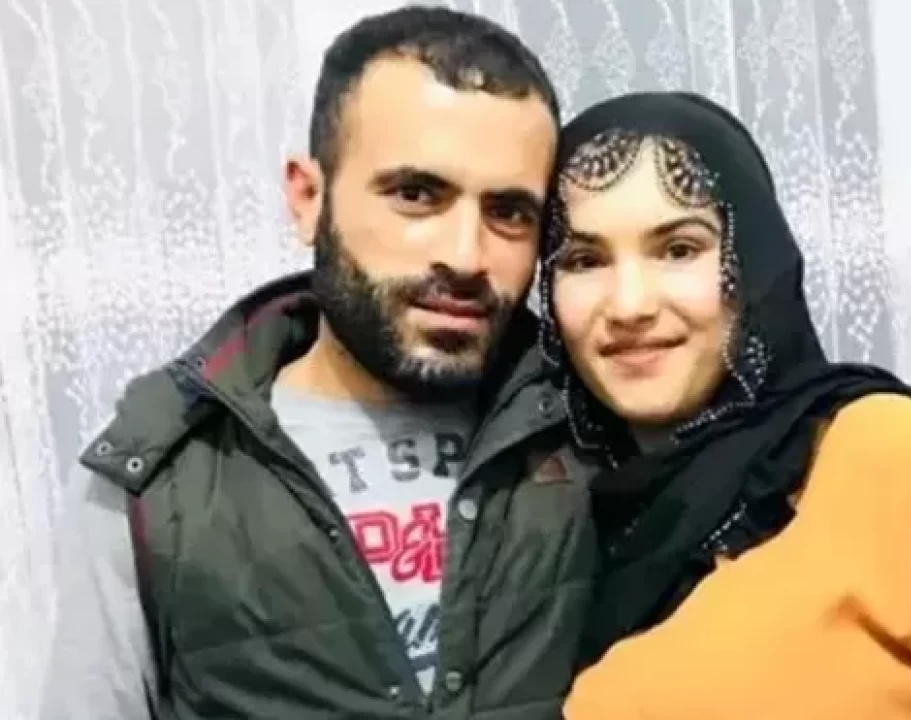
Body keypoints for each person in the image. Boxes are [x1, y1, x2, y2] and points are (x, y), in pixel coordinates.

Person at [40, 7, 597, 720]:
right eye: (416, 195)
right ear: (309, 198)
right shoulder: (156, 478)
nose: (465, 255)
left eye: (510, 212)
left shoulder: (586, 429)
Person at [537, 92, 911, 719]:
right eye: (585, 260)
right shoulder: (562, 530)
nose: (630, 304)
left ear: (754, 265)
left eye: (679, 250)